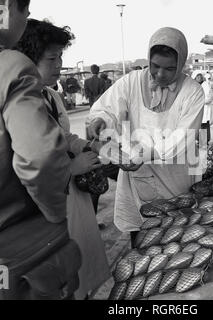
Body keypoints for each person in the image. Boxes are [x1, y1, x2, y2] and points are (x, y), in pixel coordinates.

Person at [16, 18, 111, 300]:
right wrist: (71, 168)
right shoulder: (16, 105)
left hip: (73, 197)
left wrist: (88, 145)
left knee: (81, 263)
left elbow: (63, 136)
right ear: (27, 61)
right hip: (45, 203)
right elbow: (23, 167)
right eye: (52, 58)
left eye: (60, 56)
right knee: (58, 275)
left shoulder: (52, 96)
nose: (59, 64)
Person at [87, 27, 205, 241]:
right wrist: (101, 120)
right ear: (148, 58)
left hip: (175, 176)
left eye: (170, 68)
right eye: (155, 66)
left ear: (181, 64)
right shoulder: (131, 82)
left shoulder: (192, 91)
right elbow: (106, 108)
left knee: (177, 235)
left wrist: (145, 152)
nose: (160, 74)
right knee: (141, 237)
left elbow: (182, 138)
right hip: (136, 176)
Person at [0, 0, 71, 231]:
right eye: (25, 12)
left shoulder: (50, 95)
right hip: (15, 229)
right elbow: (40, 156)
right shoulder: (11, 66)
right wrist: (56, 214)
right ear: (6, 8)